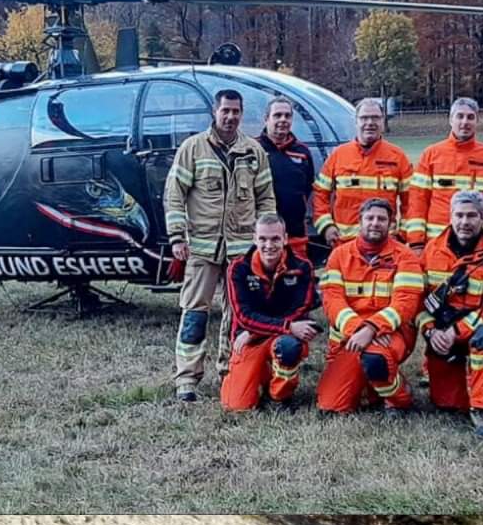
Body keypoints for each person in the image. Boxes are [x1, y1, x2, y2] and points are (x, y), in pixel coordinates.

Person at [165, 88, 274, 402]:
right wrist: (177, 237)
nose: (230, 116)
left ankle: (230, 371)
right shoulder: (192, 148)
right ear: (214, 112)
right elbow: (174, 195)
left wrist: (264, 241)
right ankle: (186, 379)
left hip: (241, 252)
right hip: (201, 249)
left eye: (236, 111)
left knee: (238, 316)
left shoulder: (254, 152)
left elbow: (266, 197)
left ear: (242, 113)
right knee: (194, 314)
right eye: (225, 110)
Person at [419, 190, 483, 438]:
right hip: (442, 333)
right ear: (450, 216)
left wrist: (457, 332)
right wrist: (432, 332)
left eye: (472, 215)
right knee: (447, 403)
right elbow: (419, 302)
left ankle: (482, 409)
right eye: (459, 215)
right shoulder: (432, 250)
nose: (465, 222)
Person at [316, 197, 424, 415]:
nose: (375, 223)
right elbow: (332, 300)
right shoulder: (339, 255)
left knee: (376, 359)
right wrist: (359, 329)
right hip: (350, 336)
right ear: (360, 221)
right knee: (331, 406)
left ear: (391, 224)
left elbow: (406, 303)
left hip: (391, 334)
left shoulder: (406, 257)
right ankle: (372, 386)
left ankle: (400, 400)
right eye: (370, 218)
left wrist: (372, 328)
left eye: (381, 219)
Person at [219, 214, 319, 413]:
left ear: (285, 238)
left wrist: (263, 330)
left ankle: (279, 397)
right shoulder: (238, 268)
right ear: (254, 239)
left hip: (278, 337)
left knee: (289, 346)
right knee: (235, 406)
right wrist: (286, 327)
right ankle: (262, 376)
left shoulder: (302, 267)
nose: (268, 245)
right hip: (250, 340)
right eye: (263, 239)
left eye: (275, 239)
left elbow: (301, 308)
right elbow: (243, 316)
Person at [407, 98, 483, 249]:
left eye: (470, 117)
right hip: (437, 241)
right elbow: (417, 200)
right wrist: (416, 242)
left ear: (477, 121)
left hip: (479, 243)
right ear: (450, 120)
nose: (465, 122)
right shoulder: (431, 154)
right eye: (460, 116)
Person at [312, 98, 413, 248]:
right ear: (356, 121)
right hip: (344, 244)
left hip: (385, 245)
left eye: (375, 118)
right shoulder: (339, 155)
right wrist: (326, 226)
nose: (370, 123)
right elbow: (320, 194)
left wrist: (402, 234)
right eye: (364, 118)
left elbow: (411, 202)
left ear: (383, 121)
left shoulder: (397, 157)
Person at [257, 95, 316, 261]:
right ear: (266, 119)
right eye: (277, 115)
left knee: (297, 282)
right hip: (263, 237)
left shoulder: (302, 152)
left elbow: (307, 187)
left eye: (287, 116)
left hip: (295, 234)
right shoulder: (253, 149)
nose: (283, 120)